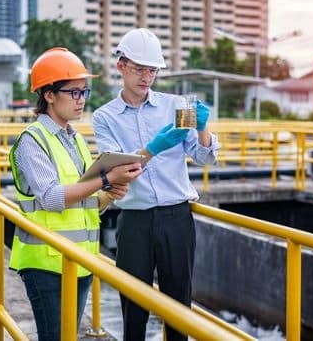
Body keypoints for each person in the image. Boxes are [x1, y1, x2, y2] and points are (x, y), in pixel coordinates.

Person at [92, 28, 221, 341]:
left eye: (152, 70)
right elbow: (117, 171)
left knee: (179, 305)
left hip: (177, 217)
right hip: (135, 219)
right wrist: (155, 147)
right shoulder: (104, 117)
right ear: (121, 66)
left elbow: (205, 158)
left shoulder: (178, 104)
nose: (146, 77)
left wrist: (203, 130)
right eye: (139, 69)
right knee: (133, 305)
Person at [8, 47, 142, 341]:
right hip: (46, 263)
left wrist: (112, 192)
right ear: (49, 95)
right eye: (74, 92)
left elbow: (84, 200)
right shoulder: (32, 140)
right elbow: (53, 198)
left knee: (68, 335)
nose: (81, 100)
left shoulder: (75, 138)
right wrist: (106, 178)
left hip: (78, 261)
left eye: (84, 92)